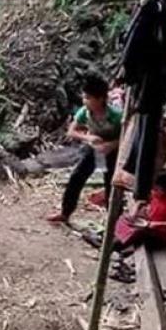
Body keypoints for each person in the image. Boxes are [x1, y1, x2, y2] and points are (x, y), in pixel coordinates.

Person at [47, 75, 123, 223]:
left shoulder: (115, 115)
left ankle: (114, 221)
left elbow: (127, 137)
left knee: (111, 185)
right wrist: (88, 138)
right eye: (84, 97)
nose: (84, 101)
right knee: (76, 177)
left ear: (101, 99)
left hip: (113, 151)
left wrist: (111, 145)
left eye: (88, 98)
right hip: (94, 148)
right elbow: (71, 131)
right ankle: (65, 212)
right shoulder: (85, 112)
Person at [110, 170, 166, 283]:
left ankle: (117, 246)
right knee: (125, 219)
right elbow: (145, 201)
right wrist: (139, 207)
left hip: (159, 236)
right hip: (148, 224)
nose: (155, 191)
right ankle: (114, 238)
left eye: (158, 189)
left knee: (137, 233)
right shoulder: (156, 194)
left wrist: (156, 224)